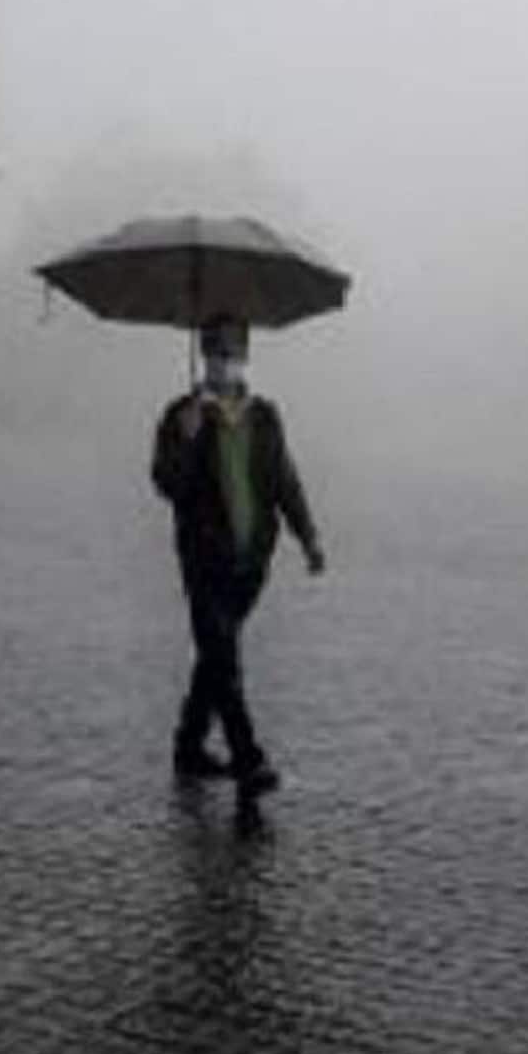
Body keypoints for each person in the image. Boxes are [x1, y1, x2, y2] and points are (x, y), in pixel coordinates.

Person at [151, 316, 326, 800]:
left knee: (215, 654)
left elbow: (284, 480)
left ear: (245, 357)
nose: (221, 362)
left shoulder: (265, 416)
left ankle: (188, 745)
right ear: (203, 355)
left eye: (230, 353)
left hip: (252, 559)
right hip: (203, 556)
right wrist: (185, 442)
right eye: (213, 352)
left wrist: (307, 537)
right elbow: (167, 484)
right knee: (224, 656)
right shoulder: (181, 415)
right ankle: (248, 758)